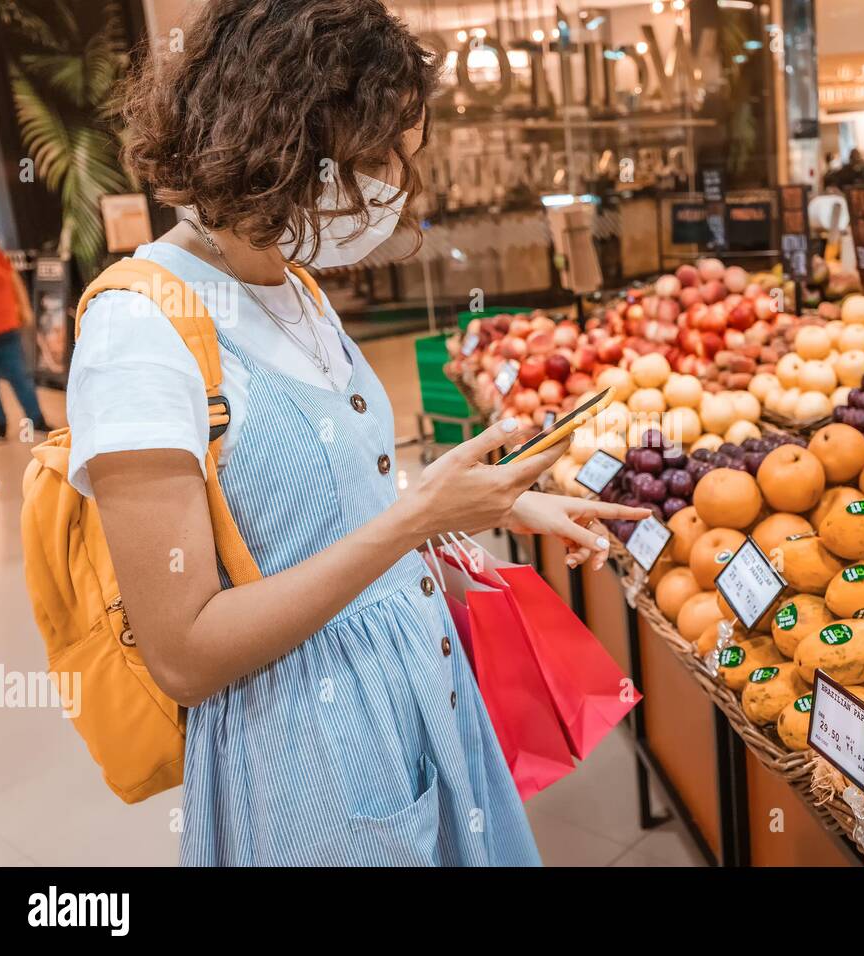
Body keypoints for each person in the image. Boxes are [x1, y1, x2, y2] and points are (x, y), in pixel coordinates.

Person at [68, 0, 644, 867]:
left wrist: (474, 507)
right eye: (379, 156)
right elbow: (183, 653)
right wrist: (413, 521)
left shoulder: (292, 283)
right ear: (282, 139)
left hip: (417, 700)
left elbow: (325, 516)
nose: (401, 183)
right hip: (304, 751)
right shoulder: (139, 332)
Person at [0, 239, 50, 441]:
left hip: (7, 328)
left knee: (21, 377)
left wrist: (24, 307)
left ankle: (37, 420)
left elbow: (13, 278)